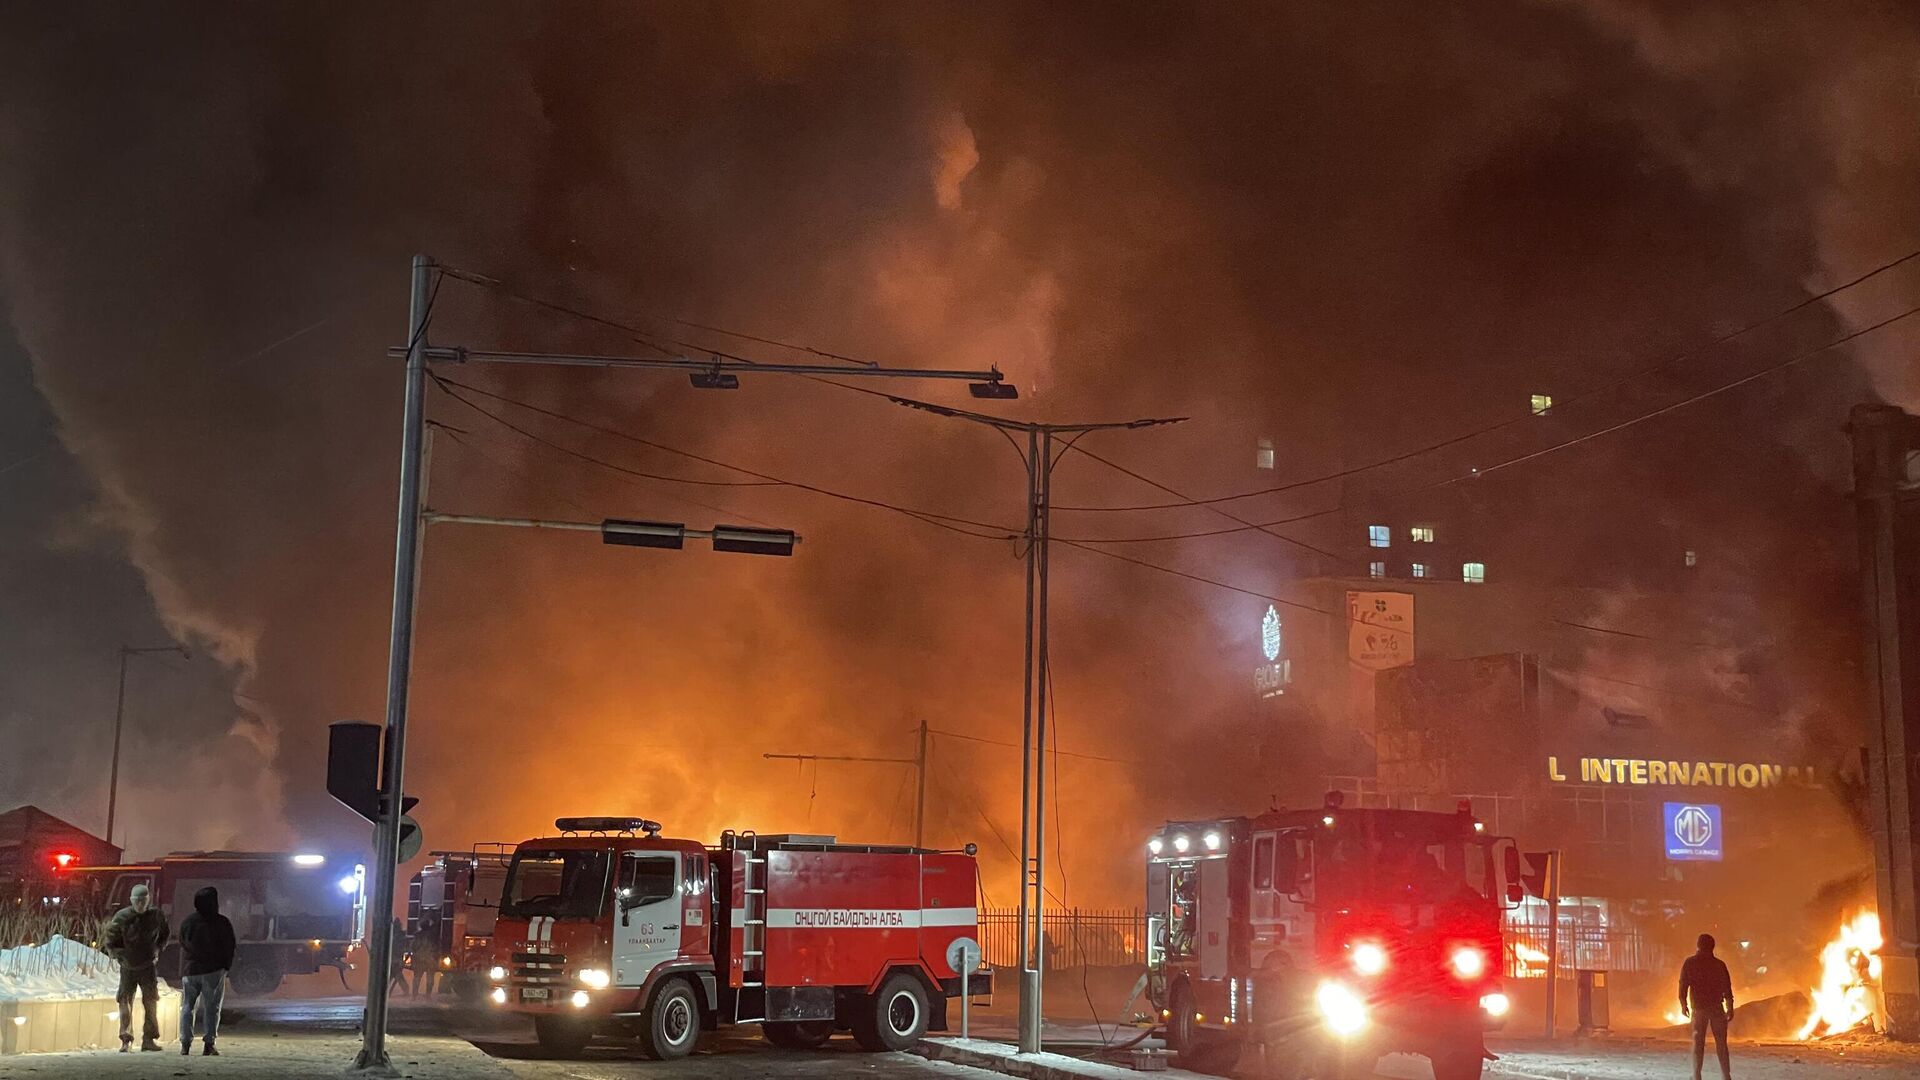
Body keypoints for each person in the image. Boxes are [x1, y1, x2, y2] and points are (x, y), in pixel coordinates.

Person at [103, 883, 170, 1052]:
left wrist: (158, 949)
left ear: (148, 900)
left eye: (143, 900)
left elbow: (164, 934)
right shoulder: (122, 916)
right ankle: (126, 1039)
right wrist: (119, 955)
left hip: (147, 966)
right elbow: (110, 939)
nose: (140, 904)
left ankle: (149, 1039)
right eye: (137, 900)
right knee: (125, 1001)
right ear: (132, 900)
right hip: (128, 966)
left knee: (151, 1001)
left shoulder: (156, 916)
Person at [176, 886, 235, 1056]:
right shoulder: (221, 922)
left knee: (187, 1006)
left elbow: (182, 942)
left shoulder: (188, 922)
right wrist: (226, 966)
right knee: (212, 1007)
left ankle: (185, 1043)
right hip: (213, 971)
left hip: (190, 970)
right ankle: (209, 1043)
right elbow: (229, 946)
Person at [1679, 932, 1735, 1080]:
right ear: (1712, 947)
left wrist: (1683, 1004)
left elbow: (1683, 985)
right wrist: (1730, 1007)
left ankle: (1697, 1074)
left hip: (1698, 1009)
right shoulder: (1719, 965)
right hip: (1717, 1008)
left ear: (1698, 946)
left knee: (1698, 1043)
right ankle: (1726, 1075)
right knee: (1721, 1043)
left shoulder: (1690, 963)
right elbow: (1727, 988)